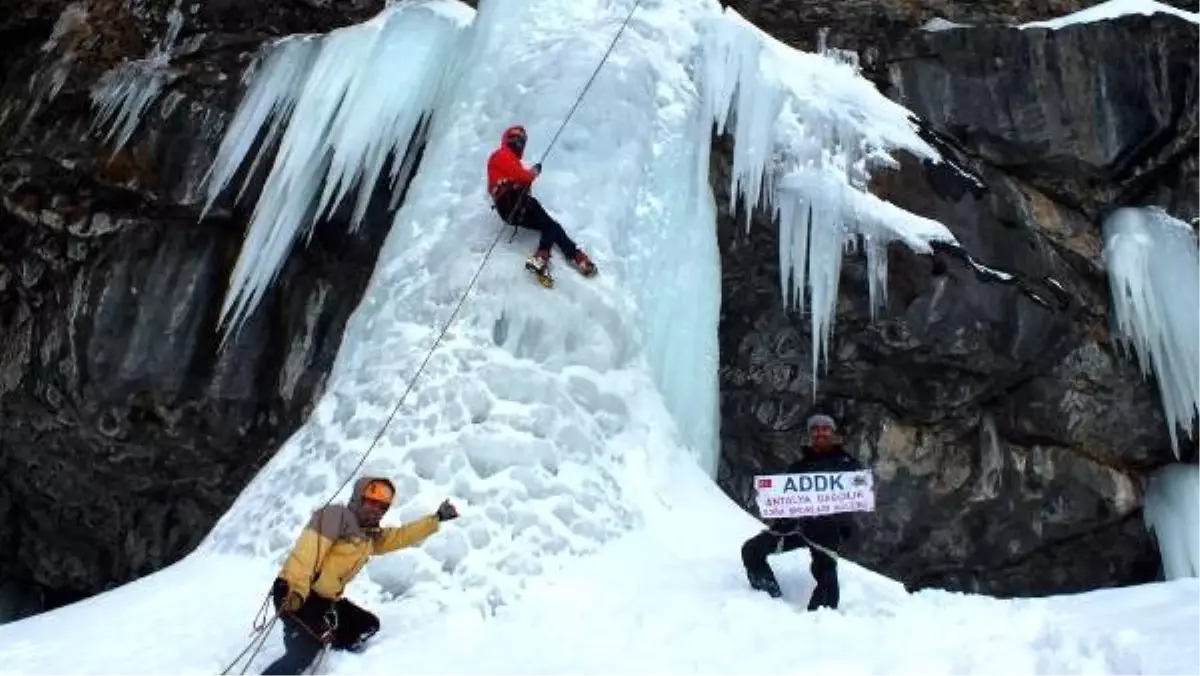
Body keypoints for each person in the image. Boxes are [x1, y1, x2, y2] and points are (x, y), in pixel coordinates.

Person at [261, 476, 459, 675]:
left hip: (326, 602)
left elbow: (400, 536)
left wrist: (437, 518)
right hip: (297, 595)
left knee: (367, 625)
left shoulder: (369, 536)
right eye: (372, 502)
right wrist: (294, 592)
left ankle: (328, 645)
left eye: (383, 507)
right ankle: (306, 640)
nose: (377, 510)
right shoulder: (334, 517)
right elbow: (306, 556)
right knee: (302, 656)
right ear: (358, 499)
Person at [741, 414, 862, 611]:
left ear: (832, 433)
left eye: (825, 428)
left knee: (826, 571)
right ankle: (768, 602)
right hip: (797, 526)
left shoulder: (847, 464)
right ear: (810, 434)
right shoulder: (798, 467)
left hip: (827, 528)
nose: (820, 432)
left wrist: (844, 525)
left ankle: (820, 618)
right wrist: (776, 511)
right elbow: (786, 501)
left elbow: (857, 496)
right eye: (815, 429)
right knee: (751, 550)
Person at [486, 124, 597, 279]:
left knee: (551, 227)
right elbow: (522, 176)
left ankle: (561, 257)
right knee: (550, 224)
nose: (519, 142)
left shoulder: (508, 160)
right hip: (513, 202)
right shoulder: (501, 154)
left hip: (511, 209)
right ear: (507, 140)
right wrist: (534, 172)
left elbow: (518, 178)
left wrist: (528, 177)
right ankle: (573, 256)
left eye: (521, 140)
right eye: (516, 139)